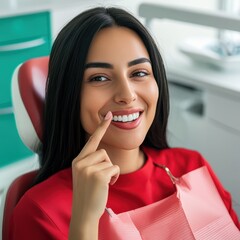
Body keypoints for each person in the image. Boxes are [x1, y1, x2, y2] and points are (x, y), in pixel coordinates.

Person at [10, 6, 239, 240]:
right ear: (69, 93)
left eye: (139, 73)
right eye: (99, 78)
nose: (127, 94)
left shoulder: (192, 166)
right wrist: (85, 220)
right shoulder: (40, 210)